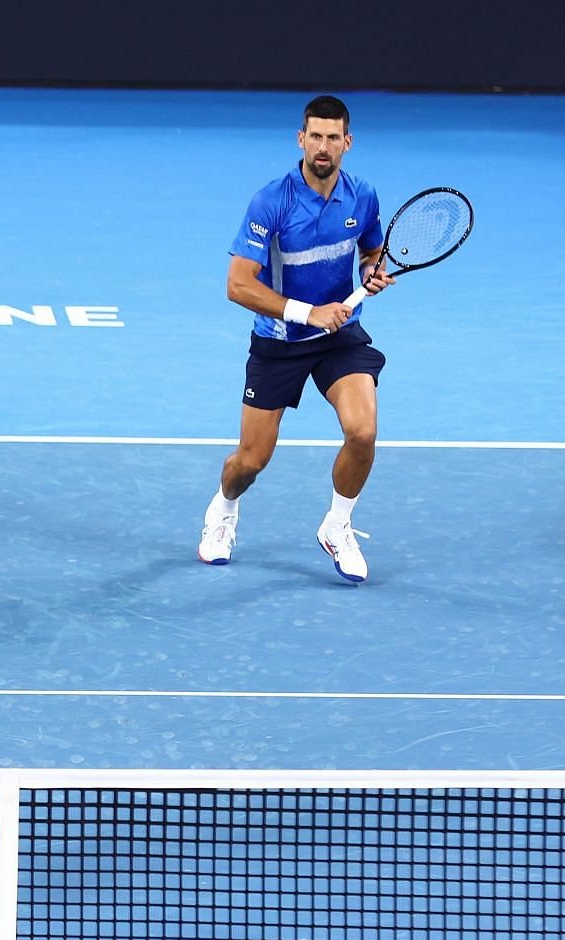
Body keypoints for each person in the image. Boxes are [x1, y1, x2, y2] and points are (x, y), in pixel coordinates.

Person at [198, 93, 392, 583]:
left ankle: (337, 525)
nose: (322, 147)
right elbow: (237, 285)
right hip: (280, 342)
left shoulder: (362, 195)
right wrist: (309, 312)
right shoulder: (272, 201)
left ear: (348, 143)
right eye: (315, 136)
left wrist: (373, 272)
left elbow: (372, 252)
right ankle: (223, 510)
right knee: (250, 461)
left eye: (333, 138)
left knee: (363, 431)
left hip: (339, 337)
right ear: (300, 139)